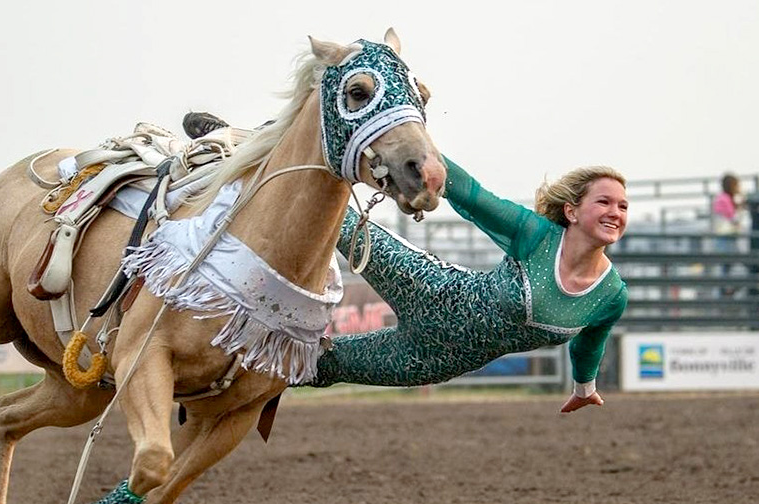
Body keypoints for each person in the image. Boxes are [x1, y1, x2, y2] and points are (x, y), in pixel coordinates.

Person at [181, 112, 630, 412]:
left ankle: (200, 377)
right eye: (605, 202)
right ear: (572, 211)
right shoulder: (537, 237)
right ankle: (248, 144)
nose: (616, 212)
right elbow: (473, 197)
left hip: (430, 359)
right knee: (340, 223)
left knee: (314, 366)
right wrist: (423, 158)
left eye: (623, 206)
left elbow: (589, 343)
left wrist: (584, 388)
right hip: (432, 289)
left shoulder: (611, 295)